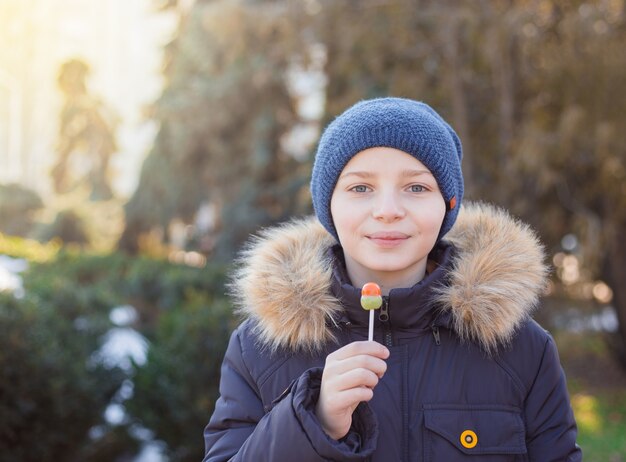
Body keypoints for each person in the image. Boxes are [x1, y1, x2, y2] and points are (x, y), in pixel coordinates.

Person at [203, 97, 582, 461]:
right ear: (328, 205)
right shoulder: (258, 349)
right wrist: (311, 422)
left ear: (447, 204)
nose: (387, 211)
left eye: (416, 187)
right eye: (360, 188)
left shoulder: (522, 350)